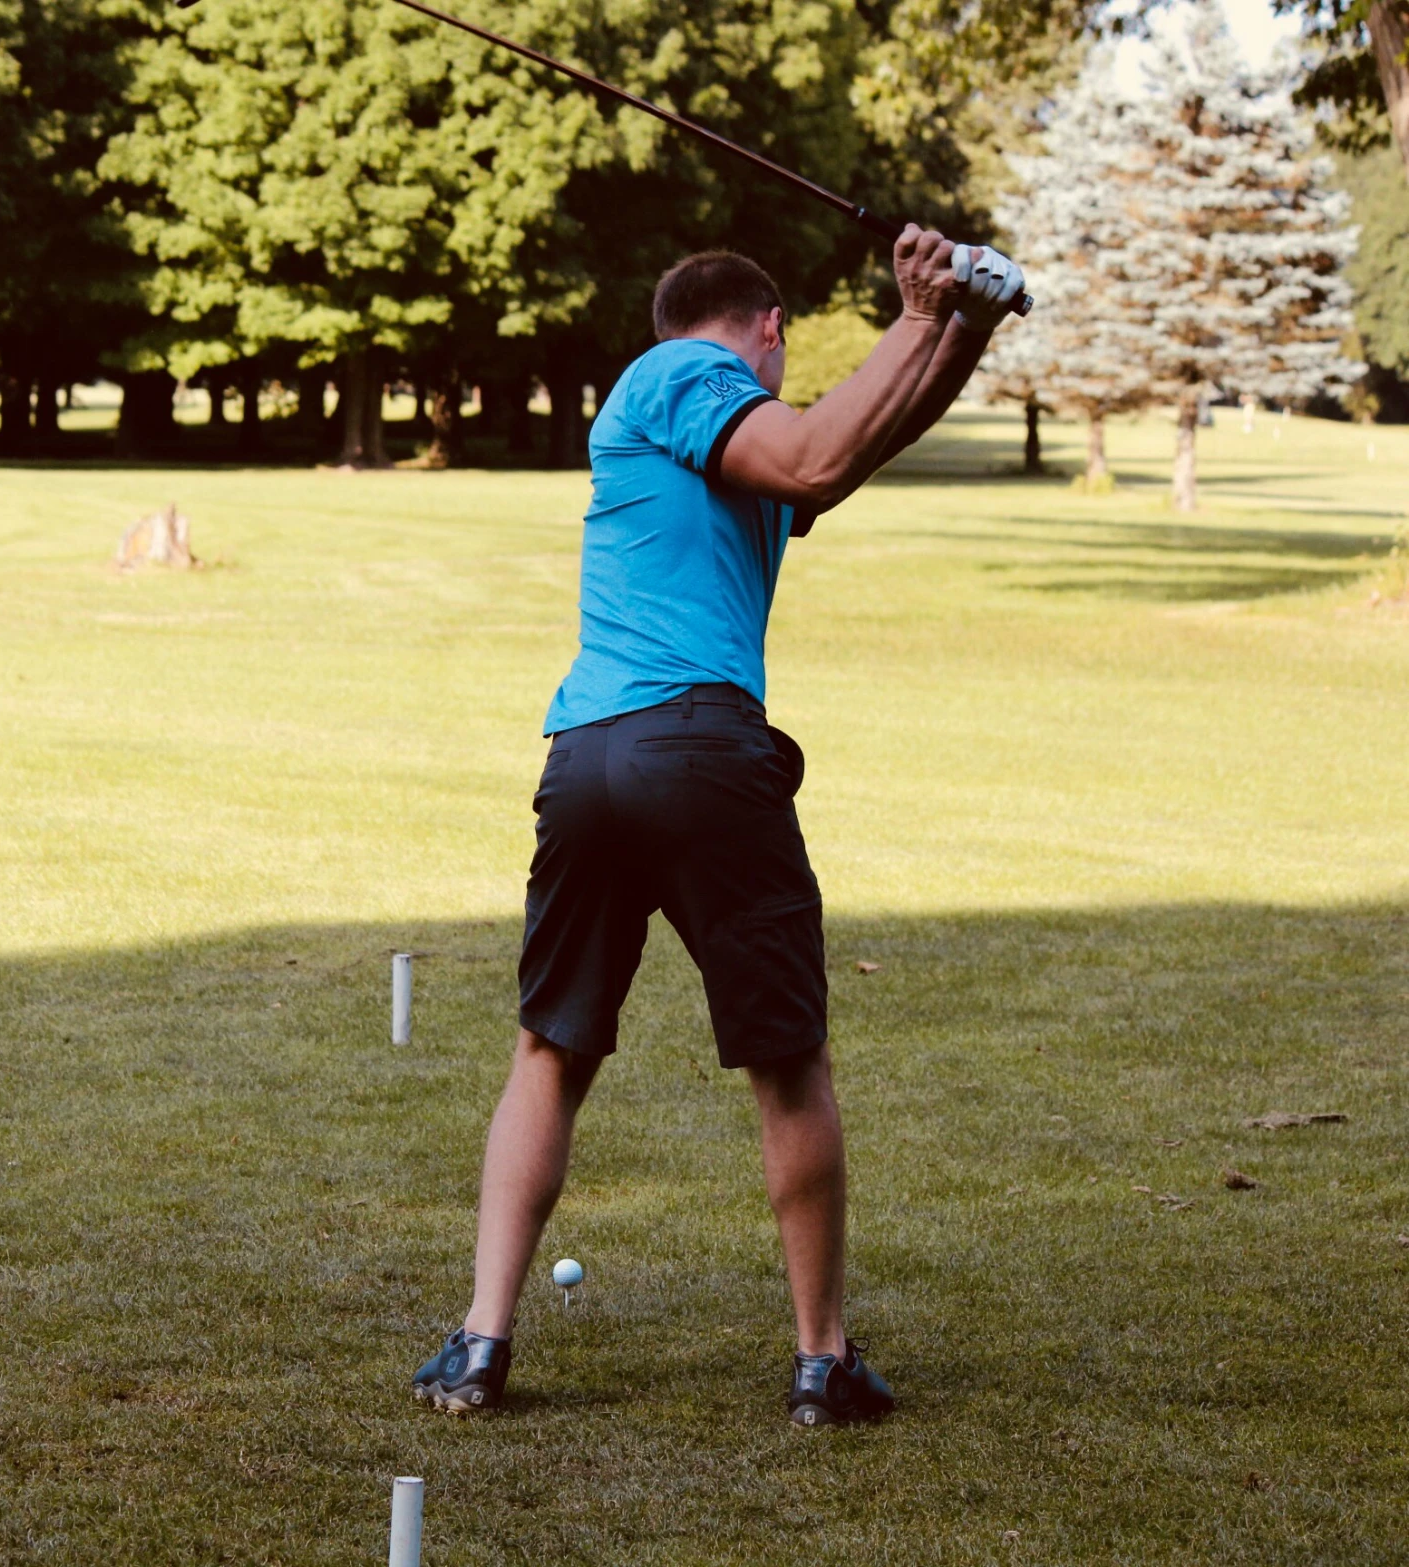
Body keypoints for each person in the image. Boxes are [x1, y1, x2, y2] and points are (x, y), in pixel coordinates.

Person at [411, 228, 1026, 1427]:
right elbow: (810, 451)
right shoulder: (686, 375)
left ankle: (481, 1343)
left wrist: (964, 327)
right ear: (767, 329)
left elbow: (849, 453)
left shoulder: (727, 447)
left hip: (590, 755)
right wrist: (916, 313)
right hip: (696, 748)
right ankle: (821, 1359)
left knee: (552, 1047)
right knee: (787, 1059)